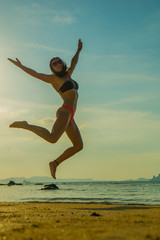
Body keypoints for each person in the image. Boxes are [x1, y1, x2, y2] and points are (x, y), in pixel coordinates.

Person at [8, 39, 83, 179]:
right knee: (52, 138)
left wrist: (78, 50)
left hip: (71, 116)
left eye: (59, 61)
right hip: (65, 111)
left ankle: (54, 163)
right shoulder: (52, 79)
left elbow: (74, 62)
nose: (57, 64)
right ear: (52, 68)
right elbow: (35, 73)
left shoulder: (68, 74)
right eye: (54, 64)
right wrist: (21, 66)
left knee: (78, 146)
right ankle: (26, 125)